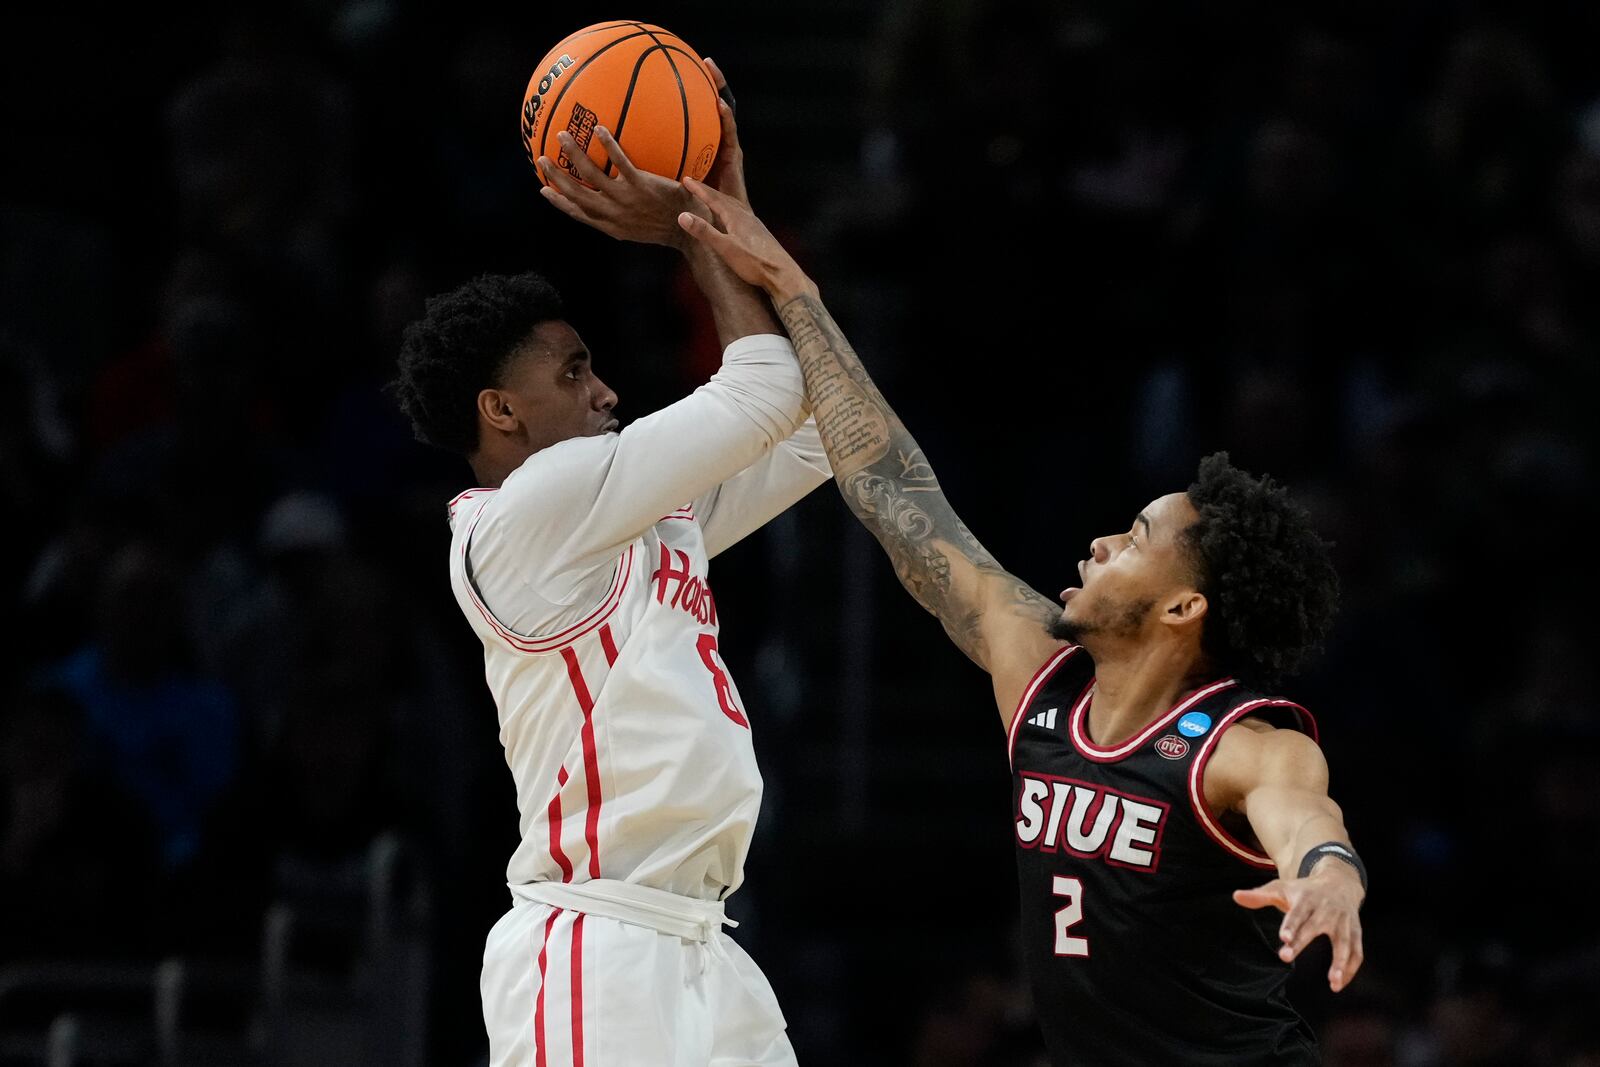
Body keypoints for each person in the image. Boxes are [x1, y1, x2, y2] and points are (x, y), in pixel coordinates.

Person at [675, 178, 1366, 1065]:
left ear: (1185, 606)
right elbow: (889, 483)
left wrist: (1329, 876)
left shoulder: (1241, 745)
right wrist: (784, 280)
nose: (1101, 540)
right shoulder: (1038, 677)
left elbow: (1307, 815)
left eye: (1137, 537)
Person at [390, 62, 827, 1067]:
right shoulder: (522, 517)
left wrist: (735, 218)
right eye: (572, 370)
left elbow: (813, 428)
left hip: (705, 940)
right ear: (499, 411)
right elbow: (764, 391)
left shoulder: (635, 521)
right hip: (603, 940)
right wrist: (693, 221)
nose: (605, 390)